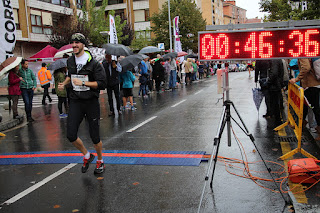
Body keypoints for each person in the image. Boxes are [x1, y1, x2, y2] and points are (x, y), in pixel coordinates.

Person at [58, 33, 107, 174]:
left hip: (90, 101)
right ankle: (87, 155)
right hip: (75, 100)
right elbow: (70, 75)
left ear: (83, 45)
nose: (74, 45)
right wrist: (64, 83)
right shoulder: (71, 61)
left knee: (94, 136)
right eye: (72, 43)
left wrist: (84, 82)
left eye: (77, 43)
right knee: (71, 135)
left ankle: (100, 160)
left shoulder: (94, 63)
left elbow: (102, 84)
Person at [289, 59, 320, 140]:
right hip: (312, 85)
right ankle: (301, 124)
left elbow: (306, 67)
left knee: (315, 108)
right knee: (305, 106)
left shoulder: (303, 54)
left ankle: (318, 130)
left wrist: (296, 79)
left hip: (311, 85)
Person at [269, 59, 284, 127]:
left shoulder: (274, 60)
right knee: (275, 104)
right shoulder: (278, 59)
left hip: (274, 86)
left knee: (274, 104)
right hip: (277, 84)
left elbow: (274, 73)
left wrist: (268, 81)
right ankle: (277, 121)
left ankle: (277, 122)